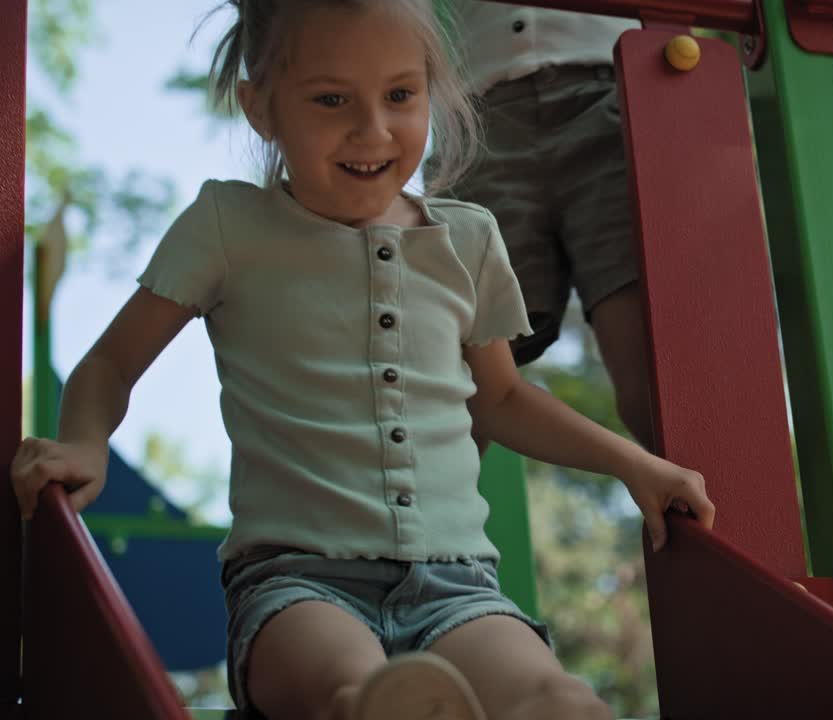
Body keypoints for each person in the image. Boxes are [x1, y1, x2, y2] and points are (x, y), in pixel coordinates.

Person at [8, 2, 714, 718]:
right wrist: (85, 445)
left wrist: (634, 463)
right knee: (350, 688)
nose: (372, 129)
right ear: (261, 108)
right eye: (331, 99)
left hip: (455, 584)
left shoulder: (467, 240)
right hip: (296, 580)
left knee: (556, 698)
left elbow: (499, 399)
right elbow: (110, 364)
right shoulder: (229, 228)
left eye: (401, 96)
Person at [446, 3, 657, 450]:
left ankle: (713, 513)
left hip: (616, 80)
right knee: (458, 388)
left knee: (654, 386)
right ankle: (432, 515)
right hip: (479, 113)